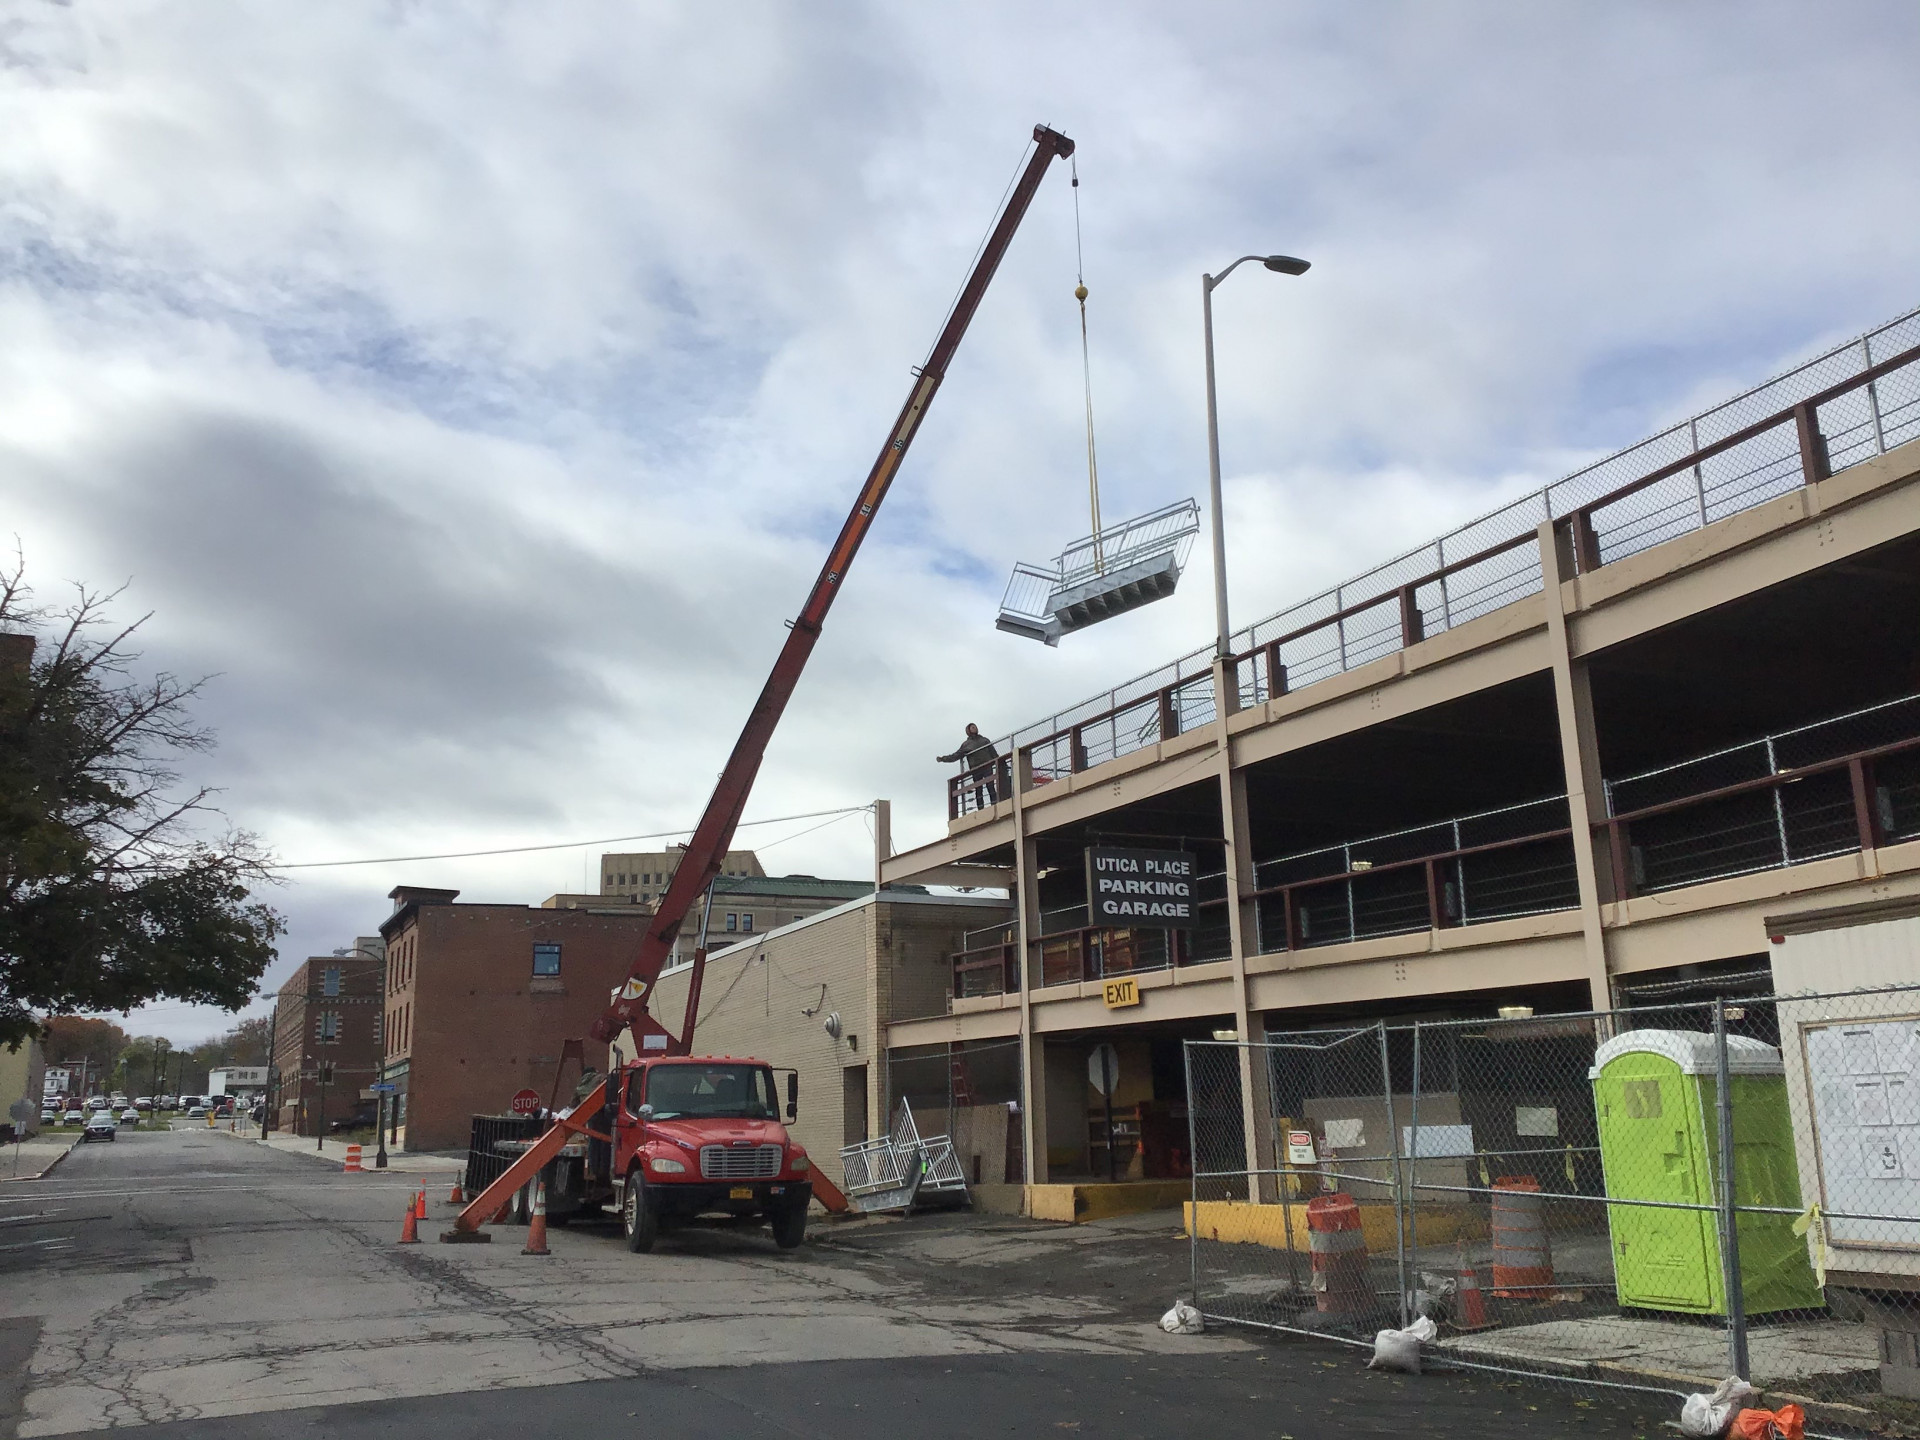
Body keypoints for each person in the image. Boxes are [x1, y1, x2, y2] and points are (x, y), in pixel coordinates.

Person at [938, 723, 1001, 807]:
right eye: (972, 727)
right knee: (978, 789)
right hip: (976, 769)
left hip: (987, 766)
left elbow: (993, 753)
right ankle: (980, 808)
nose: (974, 728)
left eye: (975, 726)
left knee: (990, 786)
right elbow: (955, 756)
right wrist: (943, 759)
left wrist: (1000, 762)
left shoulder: (985, 740)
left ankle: (994, 804)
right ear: (968, 730)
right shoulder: (966, 744)